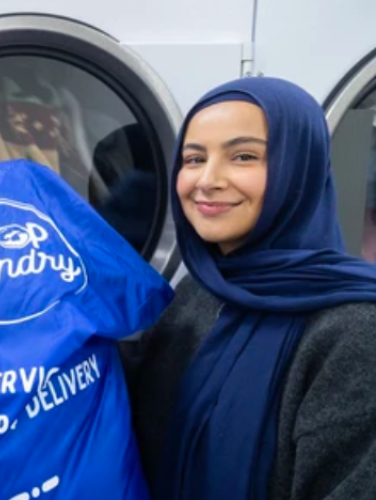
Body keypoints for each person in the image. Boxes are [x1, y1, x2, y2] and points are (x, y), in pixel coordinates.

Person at [124, 77, 376, 500]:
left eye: (243, 156)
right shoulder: (197, 295)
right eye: (193, 158)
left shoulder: (354, 331)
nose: (207, 179)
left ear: (300, 168)